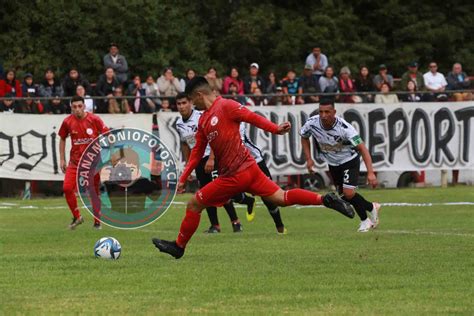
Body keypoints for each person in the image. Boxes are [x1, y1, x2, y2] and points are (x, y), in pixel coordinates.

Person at [151, 76, 354, 259]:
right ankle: (325, 199)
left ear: (198, 95)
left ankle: (179, 247)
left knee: (194, 205)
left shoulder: (226, 106)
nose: (192, 104)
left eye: (192, 100)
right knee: (281, 198)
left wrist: (274, 129)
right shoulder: (204, 120)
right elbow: (197, 152)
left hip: (234, 176)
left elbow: (251, 117)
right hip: (250, 169)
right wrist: (185, 176)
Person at [300, 98, 380, 232]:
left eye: (327, 112)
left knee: (348, 193)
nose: (324, 115)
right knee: (343, 196)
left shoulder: (345, 128)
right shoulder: (311, 123)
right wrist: (309, 159)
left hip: (349, 160)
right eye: (321, 112)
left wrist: (370, 173)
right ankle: (371, 207)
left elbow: (363, 149)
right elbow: (304, 137)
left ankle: (365, 221)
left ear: (334, 112)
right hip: (333, 164)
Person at [175, 92, 245, 233]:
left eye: (184, 103)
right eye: (179, 104)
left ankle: (236, 222)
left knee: (220, 192)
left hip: (211, 157)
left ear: (190, 103)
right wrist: (188, 167)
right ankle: (215, 226)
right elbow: (185, 145)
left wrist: (212, 158)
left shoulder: (200, 116)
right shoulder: (179, 124)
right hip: (198, 161)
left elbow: (214, 137)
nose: (181, 106)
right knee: (205, 194)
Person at [58, 95, 109, 230]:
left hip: (92, 163)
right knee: (67, 188)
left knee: (93, 191)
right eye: (74, 107)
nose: (77, 109)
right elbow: (62, 139)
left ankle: (97, 222)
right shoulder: (67, 122)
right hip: (75, 163)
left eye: (80, 106)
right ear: (71, 108)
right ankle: (77, 217)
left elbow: (108, 135)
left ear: (84, 106)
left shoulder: (94, 119)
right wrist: (62, 159)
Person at [236, 122, 286, 234]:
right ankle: (249, 201)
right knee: (228, 192)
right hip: (235, 164)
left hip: (255, 161)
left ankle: (280, 227)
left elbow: (238, 144)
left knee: (269, 196)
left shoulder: (237, 122)